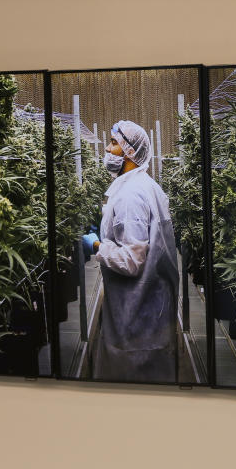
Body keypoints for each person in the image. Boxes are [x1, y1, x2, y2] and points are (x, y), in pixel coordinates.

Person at [81, 120, 180, 383]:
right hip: (151, 303)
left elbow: (131, 260)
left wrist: (96, 245)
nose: (108, 149)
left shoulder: (130, 196)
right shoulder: (145, 186)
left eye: (114, 143)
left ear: (130, 152)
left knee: (133, 377)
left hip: (137, 309)